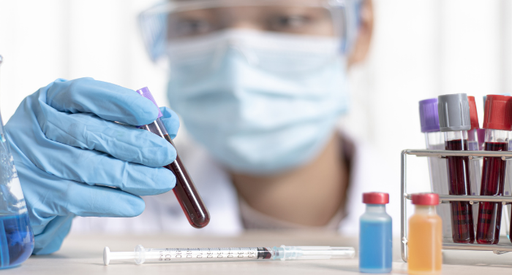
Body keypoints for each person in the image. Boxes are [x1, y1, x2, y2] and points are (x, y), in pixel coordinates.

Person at [5, 0, 396, 255]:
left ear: (359, 31)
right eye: (194, 24)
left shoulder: (437, 216)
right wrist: (9, 200)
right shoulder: (88, 203)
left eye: (287, 19)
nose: (236, 62)